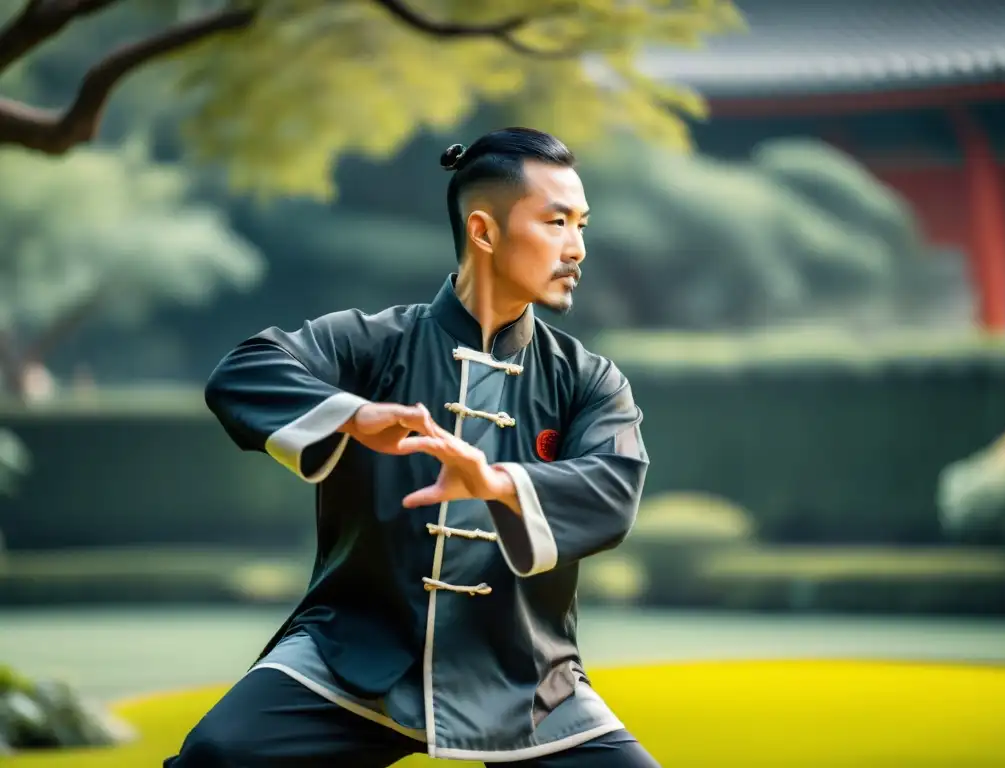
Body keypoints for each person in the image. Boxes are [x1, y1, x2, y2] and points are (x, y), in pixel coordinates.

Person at [165, 127, 656, 767]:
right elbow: (243, 371)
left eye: (581, 225)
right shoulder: (372, 345)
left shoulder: (587, 379)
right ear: (484, 232)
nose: (577, 249)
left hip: (526, 674)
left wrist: (498, 484)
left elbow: (615, 484)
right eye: (557, 222)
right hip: (354, 653)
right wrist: (354, 415)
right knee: (218, 756)